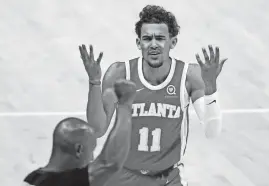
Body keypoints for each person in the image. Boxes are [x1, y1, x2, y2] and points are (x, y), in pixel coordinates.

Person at [84, 5, 228, 186]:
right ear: (139, 43)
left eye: (160, 38)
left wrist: (211, 88)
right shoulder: (120, 73)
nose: (153, 44)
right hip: (124, 176)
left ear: (172, 42)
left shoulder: (188, 76)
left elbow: (211, 131)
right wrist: (94, 83)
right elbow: (97, 130)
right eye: (147, 38)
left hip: (169, 178)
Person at [22, 48, 137, 186]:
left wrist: (95, 82)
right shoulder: (66, 181)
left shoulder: (32, 180)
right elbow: (110, 164)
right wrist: (125, 105)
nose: (92, 158)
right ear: (79, 149)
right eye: (91, 151)